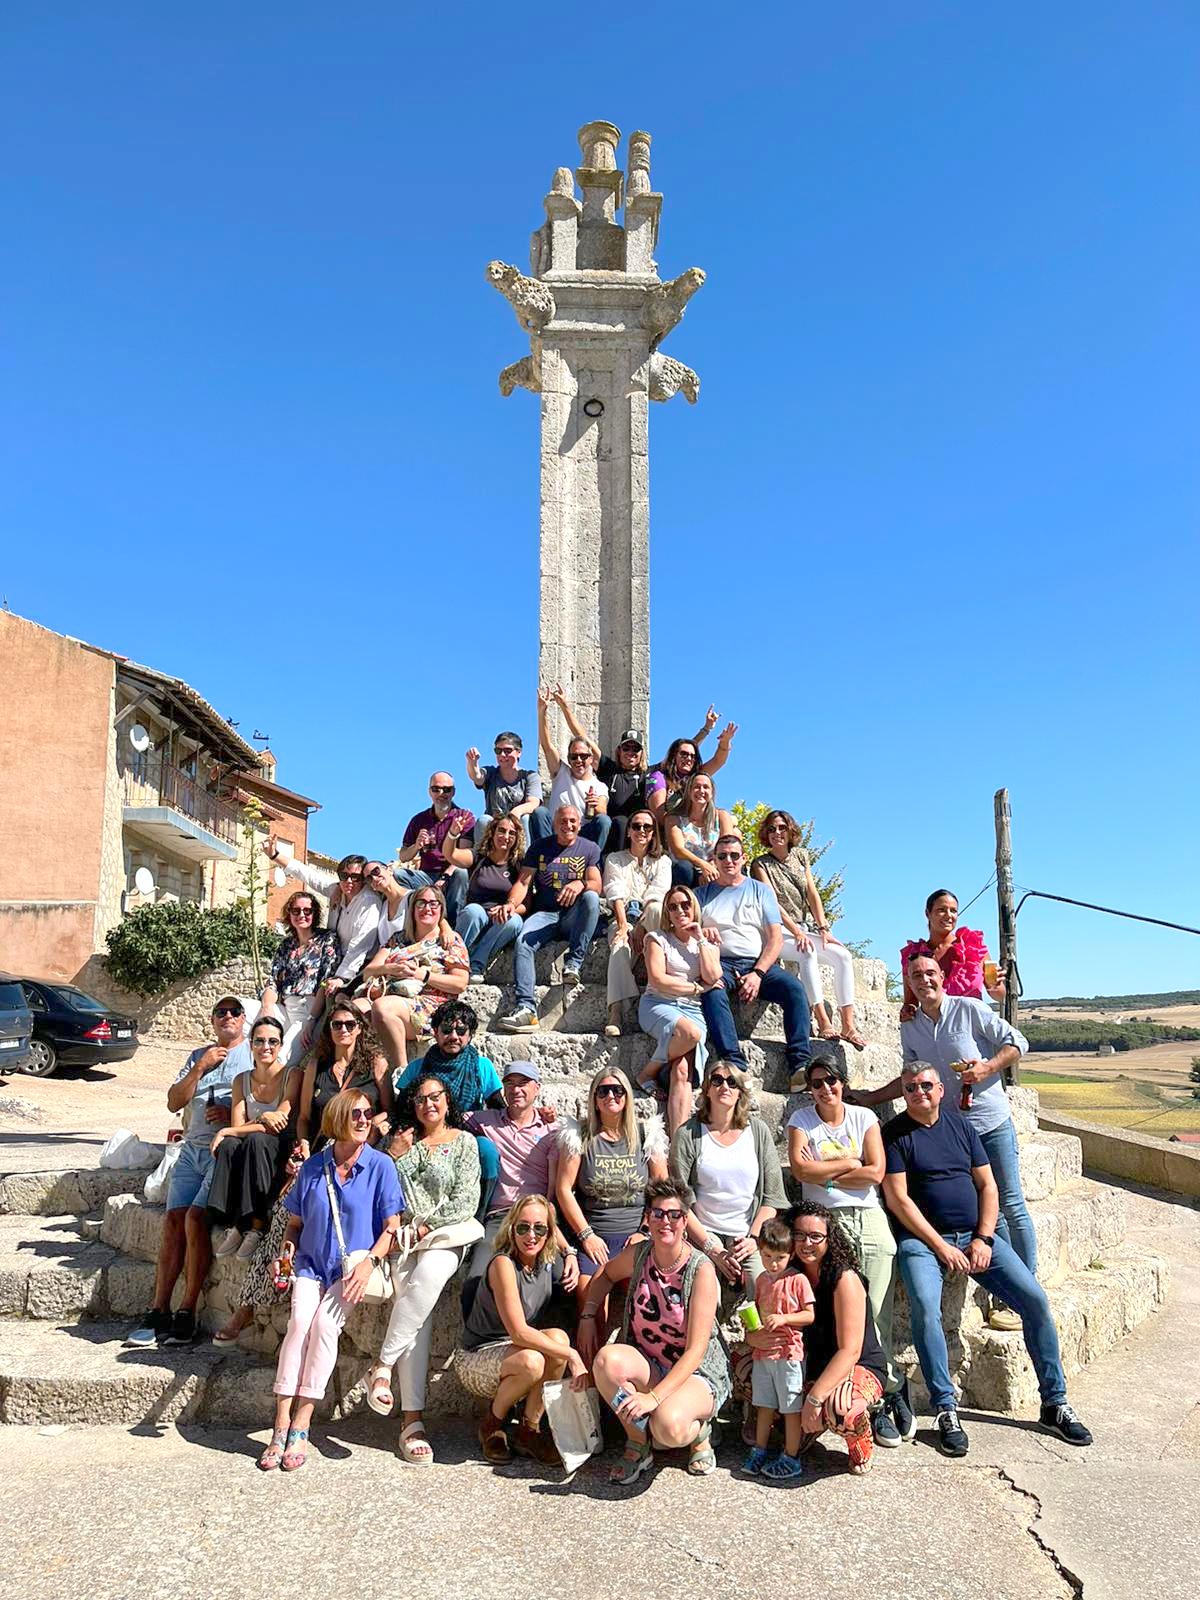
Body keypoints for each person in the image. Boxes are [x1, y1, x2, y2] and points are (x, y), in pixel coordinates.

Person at [881, 1063, 1093, 1457]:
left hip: (977, 1237)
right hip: (923, 1242)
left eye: (926, 1085)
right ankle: (946, 1409)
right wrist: (940, 1246)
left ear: (941, 1090)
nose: (918, 1092)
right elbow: (898, 1199)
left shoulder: (961, 1127)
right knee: (926, 1309)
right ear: (904, 1093)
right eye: (910, 1087)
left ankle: (1054, 1403)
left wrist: (982, 1237)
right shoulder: (894, 1134)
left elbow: (987, 1185)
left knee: (1035, 1301)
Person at [854, 951, 1035, 1330]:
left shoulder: (969, 1009)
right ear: (910, 983)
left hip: (988, 1121)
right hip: (951, 1129)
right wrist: (870, 1099)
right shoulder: (911, 1025)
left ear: (942, 976)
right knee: (988, 1208)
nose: (925, 980)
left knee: (1011, 1204)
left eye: (931, 972)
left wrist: (987, 1067)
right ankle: (1004, 1290)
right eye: (916, 975)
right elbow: (911, 1078)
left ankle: (1026, 1290)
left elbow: (1018, 1042)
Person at [258, 1088, 402, 1472]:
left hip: (352, 1268)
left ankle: (302, 1423)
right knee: (299, 1324)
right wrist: (285, 1253)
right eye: (355, 1114)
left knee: (323, 1326)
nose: (363, 1120)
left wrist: (370, 1263)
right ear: (338, 1118)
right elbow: (294, 1224)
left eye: (368, 1113)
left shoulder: (380, 1166)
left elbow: (392, 1227)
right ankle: (280, 1423)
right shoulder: (313, 1167)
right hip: (308, 1263)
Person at [787, 1050, 910, 1445]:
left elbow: (876, 1171)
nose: (825, 1089)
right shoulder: (801, 1120)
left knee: (875, 1314)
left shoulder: (864, 1117)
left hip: (867, 1215)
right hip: (823, 1220)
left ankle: (882, 1394)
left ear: (843, 1083)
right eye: (817, 1083)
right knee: (830, 1307)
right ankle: (838, 1387)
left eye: (831, 1081)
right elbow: (801, 1169)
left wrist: (827, 1172)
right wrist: (849, 1164)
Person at [365, 1073, 482, 1465]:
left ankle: (381, 1367)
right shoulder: (402, 1146)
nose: (429, 1104)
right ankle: (411, 1422)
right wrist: (395, 1155)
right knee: (415, 1309)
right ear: (413, 1106)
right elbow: (394, 1194)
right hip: (405, 1240)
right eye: (420, 1099)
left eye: (436, 1097)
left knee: (429, 1275)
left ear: (448, 1102)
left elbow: (465, 1198)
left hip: (448, 1237)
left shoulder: (464, 1143)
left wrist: (427, 1223)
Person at [582, 1177, 730, 1483]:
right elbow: (606, 1274)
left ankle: (700, 1432)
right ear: (647, 1218)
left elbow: (696, 1351)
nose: (666, 1221)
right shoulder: (640, 1255)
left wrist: (654, 1399)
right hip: (651, 1363)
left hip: (696, 1373)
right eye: (658, 1213)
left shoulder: (700, 1269)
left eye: (674, 1214)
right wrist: (588, 1315)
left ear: (685, 1221)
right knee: (606, 1361)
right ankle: (637, 1442)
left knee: (669, 1429)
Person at [124, 997, 250, 1349]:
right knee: (171, 1221)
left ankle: (187, 1309)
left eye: (235, 1012)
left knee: (195, 1219)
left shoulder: (253, 1054)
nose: (228, 1017)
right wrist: (201, 1067)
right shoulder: (199, 1055)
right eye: (221, 1012)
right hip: (190, 1151)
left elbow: (262, 1104)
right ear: (212, 1021)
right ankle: (157, 1310)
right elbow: (173, 1102)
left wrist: (231, 1118)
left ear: (244, 1020)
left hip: (222, 1151)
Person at [456, 1194, 587, 1466]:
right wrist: (574, 1356)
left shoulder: (546, 1262)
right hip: (477, 1356)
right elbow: (518, 1332)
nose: (531, 1235)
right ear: (511, 1228)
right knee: (534, 1360)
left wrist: (570, 1253)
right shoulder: (503, 1263)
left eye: (540, 1228)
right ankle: (493, 1424)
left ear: (549, 1233)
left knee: (558, 1338)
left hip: (515, 1352)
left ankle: (529, 1430)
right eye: (523, 1227)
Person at [697, 833, 814, 1085]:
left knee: (795, 989)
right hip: (720, 963)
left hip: (756, 962)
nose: (729, 860)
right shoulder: (701, 895)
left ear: (744, 859)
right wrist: (701, 931)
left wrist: (758, 974)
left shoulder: (761, 891)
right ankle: (734, 1064)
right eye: (722, 856)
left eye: (734, 856)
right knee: (712, 992)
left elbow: (776, 938)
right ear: (714, 860)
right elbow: (684, 931)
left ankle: (800, 1065)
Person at [554, 1065, 669, 1319]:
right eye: (603, 1091)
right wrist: (586, 1236)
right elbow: (563, 1189)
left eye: (617, 1090)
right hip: (596, 1237)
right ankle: (589, 1359)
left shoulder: (646, 1134)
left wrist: (646, 1231)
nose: (610, 1097)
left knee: (646, 1300)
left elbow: (663, 1190)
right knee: (590, 1304)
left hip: (636, 1236)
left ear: (627, 1095)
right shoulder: (580, 1136)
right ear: (594, 1098)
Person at [670, 1059, 788, 1295]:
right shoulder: (688, 1134)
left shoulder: (757, 1131)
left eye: (732, 1082)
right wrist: (711, 1247)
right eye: (717, 1080)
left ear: (740, 1093)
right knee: (703, 1292)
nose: (724, 1086)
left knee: (765, 1288)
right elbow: (678, 1200)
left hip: (747, 1234)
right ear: (707, 1090)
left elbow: (772, 1197)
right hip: (703, 1233)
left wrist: (753, 1239)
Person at [789, 1203, 890, 1476]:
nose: (806, 1243)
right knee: (747, 1366)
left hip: (857, 1366)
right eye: (799, 1235)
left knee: (840, 1406)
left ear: (829, 1239)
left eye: (815, 1236)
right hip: (812, 1367)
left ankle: (859, 1440)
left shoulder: (844, 1278)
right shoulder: (790, 1273)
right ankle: (807, 1426)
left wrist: (813, 1400)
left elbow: (850, 1350)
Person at [751, 810, 866, 1050]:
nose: (777, 833)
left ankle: (848, 1024)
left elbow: (812, 894)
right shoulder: (761, 864)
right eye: (771, 829)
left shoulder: (801, 856)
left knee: (842, 955)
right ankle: (822, 1019)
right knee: (807, 952)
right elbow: (772, 902)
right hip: (777, 929)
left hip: (804, 927)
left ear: (790, 830)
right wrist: (796, 931)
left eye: (782, 827)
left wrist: (824, 928)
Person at [462, 1061, 578, 1296]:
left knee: (559, 1279)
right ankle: (480, 1333)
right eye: (510, 1083)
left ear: (537, 1088)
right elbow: (448, 1117)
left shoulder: (552, 1130)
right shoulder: (486, 1120)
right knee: (476, 1280)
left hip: (537, 1216)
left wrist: (568, 1249)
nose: (516, 1089)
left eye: (524, 1083)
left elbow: (554, 1191)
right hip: (500, 1217)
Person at [391, 1000, 504, 1218]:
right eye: (446, 1029)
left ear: (470, 1035)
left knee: (488, 1152)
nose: (454, 1036)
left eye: (461, 1031)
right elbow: (401, 1109)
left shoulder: (482, 1067)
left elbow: (500, 1109)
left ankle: (481, 1215)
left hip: (467, 1135)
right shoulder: (417, 1068)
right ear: (435, 1032)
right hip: (424, 1132)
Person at [495, 804, 602, 1032]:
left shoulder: (589, 848)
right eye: (563, 821)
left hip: (574, 915)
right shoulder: (540, 847)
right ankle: (526, 1008)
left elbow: (597, 884)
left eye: (573, 821)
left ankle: (574, 961)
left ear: (580, 824)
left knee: (591, 898)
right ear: (554, 824)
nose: (568, 825)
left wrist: (579, 883)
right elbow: (523, 882)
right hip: (546, 914)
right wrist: (511, 904)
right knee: (523, 942)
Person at [208, 1015, 298, 1261]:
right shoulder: (242, 1080)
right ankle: (236, 1220)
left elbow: (280, 1121)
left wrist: (229, 1129)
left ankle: (257, 1222)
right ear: (251, 1044)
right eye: (259, 1041)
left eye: (272, 1041)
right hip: (251, 1148)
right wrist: (260, 1120)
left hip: (278, 1151)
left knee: (254, 1140)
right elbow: (238, 1128)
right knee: (230, 1144)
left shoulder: (292, 1075)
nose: (265, 1047)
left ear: (280, 1046)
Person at [636, 884, 723, 1136]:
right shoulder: (657, 939)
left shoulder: (705, 942)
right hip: (658, 1005)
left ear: (693, 907)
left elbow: (714, 975)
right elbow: (658, 980)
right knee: (691, 1034)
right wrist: (697, 988)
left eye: (685, 905)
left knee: (682, 1071)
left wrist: (701, 939)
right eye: (673, 907)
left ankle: (678, 1144)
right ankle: (648, 1073)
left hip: (692, 1011)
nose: (680, 910)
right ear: (667, 912)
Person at [360, 885, 470, 1070]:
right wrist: (390, 968)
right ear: (412, 908)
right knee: (354, 1010)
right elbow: (368, 972)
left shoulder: (450, 940)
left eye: (433, 904)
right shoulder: (398, 939)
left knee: (382, 1007)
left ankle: (401, 1072)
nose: (427, 908)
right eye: (421, 903)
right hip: (394, 996)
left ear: (441, 909)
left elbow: (460, 984)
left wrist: (423, 975)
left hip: (431, 1005)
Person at [741, 1215, 816, 1479]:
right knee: (764, 1406)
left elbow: (809, 1315)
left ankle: (791, 1456)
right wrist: (752, 1326)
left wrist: (785, 1318)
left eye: (779, 1258)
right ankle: (760, 1450)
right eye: (767, 1256)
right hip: (764, 1354)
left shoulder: (798, 1280)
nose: (773, 1263)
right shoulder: (761, 1280)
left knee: (790, 1409)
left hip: (789, 1354)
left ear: (790, 1254)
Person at [265, 838, 384, 991]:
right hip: (334, 963)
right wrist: (274, 855)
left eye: (356, 877)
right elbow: (308, 875)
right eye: (344, 875)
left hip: (359, 967)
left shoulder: (369, 902)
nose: (349, 881)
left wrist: (341, 977)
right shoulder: (337, 890)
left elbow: (360, 945)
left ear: (364, 880)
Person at [601, 807, 671, 1036]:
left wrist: (641, 928)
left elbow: (658, 893)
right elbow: (615, 893)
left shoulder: (663, 861)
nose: (642, 830)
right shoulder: (614, 859)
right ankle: (617, 1010)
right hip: (624, 918)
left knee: (655, 908)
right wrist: (623, 926)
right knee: (620, 947)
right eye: (636, 826)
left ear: (653, 833)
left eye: (647, 827)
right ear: (629, 831)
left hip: (653, 922)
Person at [295, 1002, 392, 1158]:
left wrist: (374, 1122)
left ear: (359, 1028)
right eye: (337, 1025)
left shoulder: (376, 1064)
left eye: (350, 1024)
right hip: (323, 1151)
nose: (343, 1029)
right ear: (330, 1028)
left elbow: (390, 1110)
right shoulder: (316, 1066)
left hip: (363, 1148)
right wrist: (304, 1145)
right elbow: (304, 1117)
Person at [259, 889, 342, 1066]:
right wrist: (266, 1008)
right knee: (240, 1011)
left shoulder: (327, 939)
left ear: (315, 913)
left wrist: (311, 1021)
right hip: (284, 1006)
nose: (301, 915)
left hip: (308, 1010)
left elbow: (325, 982)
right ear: (289, 914)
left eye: (307, 911)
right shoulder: (286, 944)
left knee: (280, 1059)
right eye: (296, 911)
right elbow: (273, 981)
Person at [899, 888, 1006, 1018]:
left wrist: (996, 985)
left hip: (975, 1030)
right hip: (935, 1032)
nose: (949, 915)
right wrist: (907, 1010)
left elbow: (999, 996)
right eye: (941, 910)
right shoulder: (913, 956)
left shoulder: (974, 947)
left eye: (953, 911)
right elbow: (911, 1002)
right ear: (928, 913)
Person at [529, 685, 610, 852]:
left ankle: (592, 862)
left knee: (604, 821)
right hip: (554, 836)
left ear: (591, 758)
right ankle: (543, 861)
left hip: (581, 840)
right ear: (569, 758)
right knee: (540, 813)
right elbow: (546, 745)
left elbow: (603, 814)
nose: (578, 760)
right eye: (574, 757)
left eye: (583, 756)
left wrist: (595, 807)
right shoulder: (561, 772)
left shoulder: (600, 786)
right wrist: (542, 712)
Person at [394, 773, 476, 926]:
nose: (441, 794)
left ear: (453, 792)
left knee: (461, 873)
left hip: (451, 876)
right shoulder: (418, 820)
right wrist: (416, 846)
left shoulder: (464, 816)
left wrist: (445, 877)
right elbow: (404, 856)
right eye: (436, 789)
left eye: (446, 789)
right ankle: (415, 922)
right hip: (426, 877)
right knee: (398, 875)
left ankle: (452, 924)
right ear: (429, 791)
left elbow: (464, 857)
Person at [455, 814, 526, 983]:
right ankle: (454, 961)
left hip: (499, 919)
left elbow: (526, 905)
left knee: (515, 921)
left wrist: (508, 908)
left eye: (512, 833)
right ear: (492, 833)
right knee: (474, 911)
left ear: (516, 839)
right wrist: (452, 834)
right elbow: (452, 855)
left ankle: (477, 964)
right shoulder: (478, 857)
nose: (506, 837)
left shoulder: (518, 865)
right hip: (475, 916)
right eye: (501, 831)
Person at [646, 709, 738, 821]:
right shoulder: (659, 776)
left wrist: (725, 741)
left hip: (696, 829)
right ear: (674, 755)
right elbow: (659, 815)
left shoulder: (696, 777)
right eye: (684, 754)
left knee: (728, 819)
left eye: (692, 756)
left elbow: (718, 761)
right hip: (670, 829)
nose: (689, 759)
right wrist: (706, 729)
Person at [465, 733, 540, 845]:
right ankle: (482, 860)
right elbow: (477, 777)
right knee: (483, 820)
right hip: (494, 826)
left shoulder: (530, 776)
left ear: (518, 752)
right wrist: (472, 763)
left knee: (526, 819)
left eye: (507, 751)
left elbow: (533, 803)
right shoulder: (491, 773)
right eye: (498, 751)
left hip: (517, 824)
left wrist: (515, 814)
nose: (502, 755)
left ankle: (524, 859)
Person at [664, 771, 734, 888]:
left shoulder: (722, 816)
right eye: (697, 787)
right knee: (684, 868)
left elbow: (727, 846)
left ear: (712, 793)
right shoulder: (674, 818)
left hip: (715, 868)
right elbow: (678, 850)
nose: (701, 791)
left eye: (706, 787)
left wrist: (712, 865)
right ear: (689, 791)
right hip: (688, 872)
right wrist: (703, 865)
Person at [595, 728, 651, 853]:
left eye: (635, 749)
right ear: (619, 751)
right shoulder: (609, 769)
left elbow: (677, 757)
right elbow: (585, 741)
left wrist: (705, 729)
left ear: (641, 753)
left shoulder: (647, 774)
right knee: (619, 821)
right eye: (626, 748)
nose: (630, 752)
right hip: (611, 830)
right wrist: (566, 709)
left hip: (638, 830)